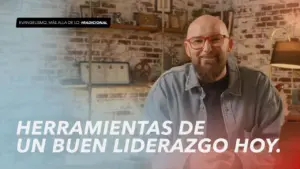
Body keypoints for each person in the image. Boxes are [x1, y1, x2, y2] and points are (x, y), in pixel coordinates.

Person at [143, 15, 283, 169]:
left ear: (229, 44)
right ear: (187, 49)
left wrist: (238, 160)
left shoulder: (259, 86)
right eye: (197, 41)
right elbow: (150, 148)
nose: (207, 49)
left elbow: (276, 147)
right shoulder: (167, 87)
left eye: (216, 39)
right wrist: (189, 161)